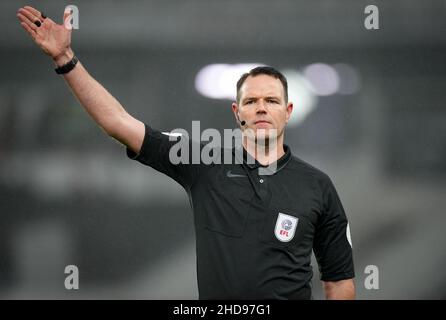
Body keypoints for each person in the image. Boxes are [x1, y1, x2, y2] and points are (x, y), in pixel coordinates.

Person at [17, 5, 355, 300]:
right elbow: (117, 122)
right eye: (252, 102)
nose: (262, 109)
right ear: (237, 112)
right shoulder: (204, 164)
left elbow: (339, 281)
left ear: (289, 110)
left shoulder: (317, 186)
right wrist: (65, 58)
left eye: (272, 101)